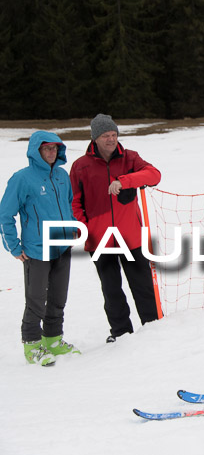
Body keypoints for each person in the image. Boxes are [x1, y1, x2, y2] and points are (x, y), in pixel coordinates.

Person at [70, 114, 161, 343]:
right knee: (111, 290)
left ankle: (155, 327)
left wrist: (125, 181)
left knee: (143, 286)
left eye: (114, 135)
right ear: (95, 139)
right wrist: (85, 228)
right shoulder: (81, 166)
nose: (111, 140)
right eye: (105, 136)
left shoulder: (130, 158)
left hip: (131, 236)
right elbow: (74, 201)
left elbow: (154, 175)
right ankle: (121, 333)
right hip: (100, 239)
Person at [0, 131, 81, 366]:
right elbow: (5, 215)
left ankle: (53, 340)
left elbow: (68, 204)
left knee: (58, 298)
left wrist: (73, 226)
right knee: (36, 299)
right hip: (36, 249)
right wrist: (14, 247)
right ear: (36, 151)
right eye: (47, 148)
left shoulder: (62, 176)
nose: (51, 153)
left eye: (55, 148)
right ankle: (32, 345)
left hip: (62, 247)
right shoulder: (22, 178)